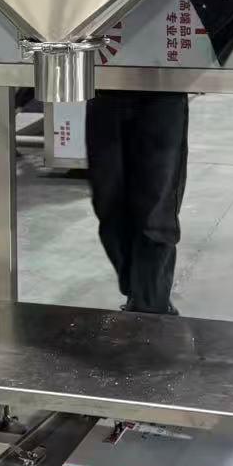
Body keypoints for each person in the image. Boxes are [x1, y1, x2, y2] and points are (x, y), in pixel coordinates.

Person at [84, 90, 189, 314]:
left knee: (156, 212)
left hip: (163, 94)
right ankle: (138, 292)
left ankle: (151, 305)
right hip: (105, 90)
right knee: (109, 205)